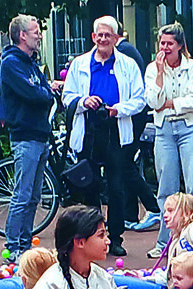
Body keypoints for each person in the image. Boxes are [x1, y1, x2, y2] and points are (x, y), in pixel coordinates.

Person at [61, 16, 146, 258]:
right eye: (99, 34)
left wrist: (118, 109)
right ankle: (90, 235)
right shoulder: (79, 64)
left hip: (116, 129)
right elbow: (67, 96)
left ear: (116, 39)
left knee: (117, 187)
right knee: (89, 186)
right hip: (89, 129)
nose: (103, 39)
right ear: (93, 37)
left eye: (108, 35)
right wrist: (82, 101)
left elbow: (140, 99)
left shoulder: (128, 64)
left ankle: (115, 238)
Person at [144, 23, 193, 258]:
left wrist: (170, 103)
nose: (165, 47)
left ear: (180, 46)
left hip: (190, 127)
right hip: (164, 131)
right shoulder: (152, 69)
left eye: (170, 43)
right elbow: (152, 101)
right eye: (162, 43)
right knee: (166, 189)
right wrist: (160, 74)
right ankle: (165, 243)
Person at [1, 15, 58, 258]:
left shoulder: (31, 63)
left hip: (39, 135)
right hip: (25, 135)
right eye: (35, 31)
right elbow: (37, 94)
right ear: (22, 35)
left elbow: (42, 90)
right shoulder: (11, 64)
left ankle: (24, 242)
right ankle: (13, 245)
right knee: (22, 194)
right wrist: (46, 92)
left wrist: (45, 91)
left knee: (34, 196)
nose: (40, 35)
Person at [115, 28, 161, 233]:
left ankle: (152, 207)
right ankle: (129, 214)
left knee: (125, 164)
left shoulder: (124, 53)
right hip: (130, 117)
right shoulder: (128, 49)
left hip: (131, 118)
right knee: (125, 164)